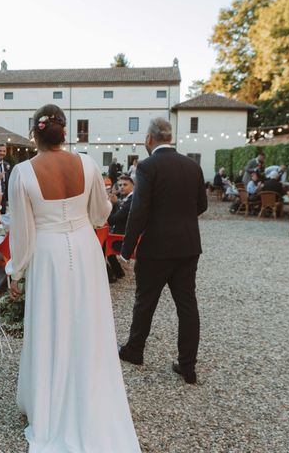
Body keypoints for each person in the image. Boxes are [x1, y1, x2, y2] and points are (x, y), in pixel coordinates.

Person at [8, 104, 140, 452]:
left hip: (48, 255)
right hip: (84, 251)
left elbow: (21, 231)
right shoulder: (88, 164)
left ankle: (50, 405)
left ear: (35, 133)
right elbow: (101, 215)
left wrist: (15, 270)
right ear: (63, 132)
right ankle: (91, 395)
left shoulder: (22, 173)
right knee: (88, 325)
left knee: (50, 326)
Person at [118, 117, 207, 385]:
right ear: (170, 137)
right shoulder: (193, 165)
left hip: (156, 247)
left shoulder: (147, 166)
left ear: (149, 139)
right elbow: (201, 205)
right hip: (188, 246)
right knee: (187, 305)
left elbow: (139, 210)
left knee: (145, 301)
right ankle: (188, 366)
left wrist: (126, 248)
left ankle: (135, 350)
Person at [107, 174, 134, 282]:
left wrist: (111, 204)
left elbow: (113, 219)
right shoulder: (129, 199)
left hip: (122, 240)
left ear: (133, 186)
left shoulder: (132, 200)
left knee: (101, 245)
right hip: (121, 236)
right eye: (120, 185)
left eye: (125, 184)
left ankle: (111, 276)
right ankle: (118, 272)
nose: (122, 187)